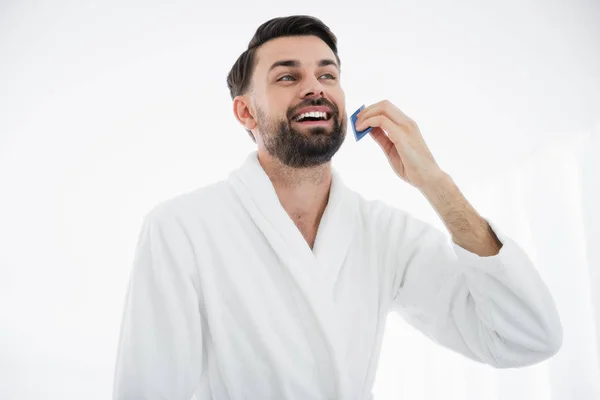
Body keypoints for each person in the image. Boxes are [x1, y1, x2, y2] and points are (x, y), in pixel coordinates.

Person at [112, 15, 563, 400]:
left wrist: (436, 184)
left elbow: (524, 338)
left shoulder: (383, 234)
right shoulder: (182, 229)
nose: (314, 88)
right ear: (245, 113)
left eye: (327, 76)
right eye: (287, 77)